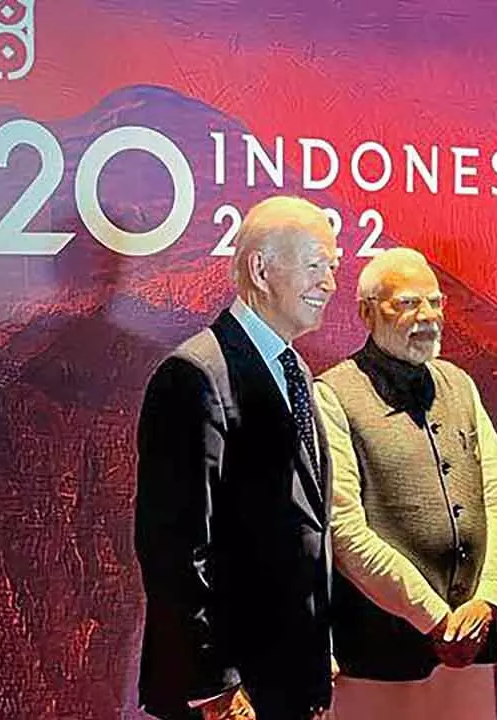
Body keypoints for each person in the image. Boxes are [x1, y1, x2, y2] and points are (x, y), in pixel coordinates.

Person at [134, 196, 340, 720]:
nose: (330, 284)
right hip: (231, 696)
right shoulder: (195, 374)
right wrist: (213, 687)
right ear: (260, 269)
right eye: (316, 265)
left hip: (289, 680)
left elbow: (302, 525)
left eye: (333, 268)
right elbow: (175, 548)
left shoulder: (293, 369)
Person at [314, 248, 497, 720]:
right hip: (377, 653)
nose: (427, 317)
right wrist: (434, 618)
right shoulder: (332, 394)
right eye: (408, 304)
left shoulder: (460, 383)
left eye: (435, 303)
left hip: (473, 638)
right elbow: (343, 530)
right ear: (367, 311)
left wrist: (487, 598)